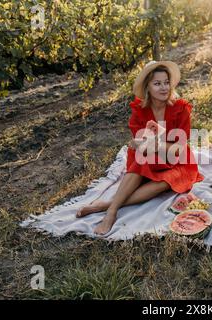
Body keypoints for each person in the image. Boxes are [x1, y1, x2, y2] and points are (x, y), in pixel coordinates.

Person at [76, 60, 204, 235]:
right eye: (157, 83)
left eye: (166, 82)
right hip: (150, 156)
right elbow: (141, 143)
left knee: (166, 181)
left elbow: (179, 149)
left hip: (177, 160)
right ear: (148, 87)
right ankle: (111, 213)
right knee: (140, 160)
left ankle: (106, 206)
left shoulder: (181, 108)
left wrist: (154, 144)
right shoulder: (139, 109)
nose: (164, 88)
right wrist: (138, 143)